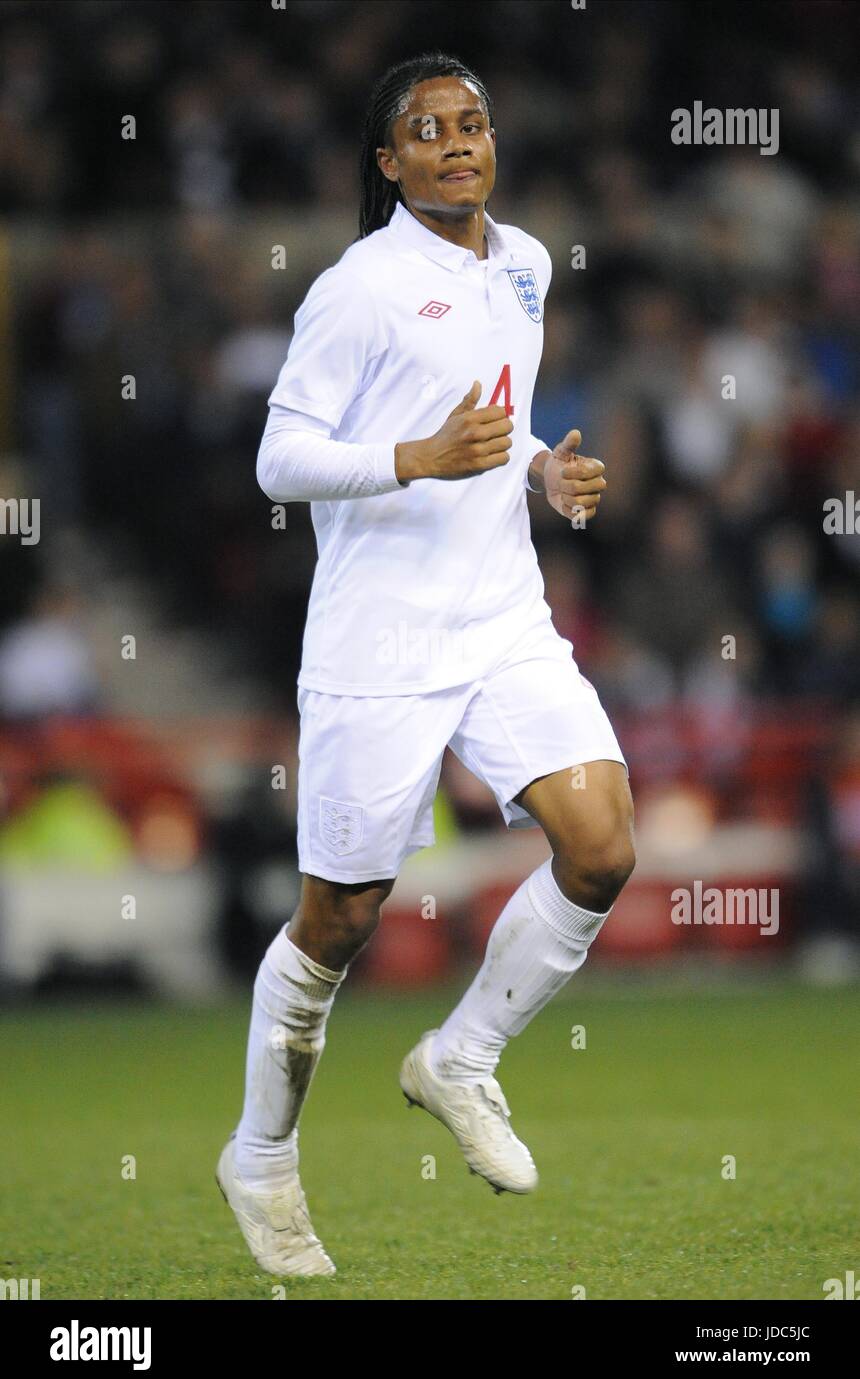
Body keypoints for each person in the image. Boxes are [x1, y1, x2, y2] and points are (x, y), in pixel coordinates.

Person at [216, 52, 635, 1277]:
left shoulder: (524, 262)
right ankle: (261, 1153)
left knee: (602, 840)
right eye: (425, 130)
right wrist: (410, 459)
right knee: (338, 918)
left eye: (472, 123)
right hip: (378, 641)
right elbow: (278, 460)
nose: (457, 143)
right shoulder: (357, 288)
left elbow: (492, 426)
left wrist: (539, 475)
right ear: (387, 162)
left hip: (500, 613)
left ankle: (460, 1057)